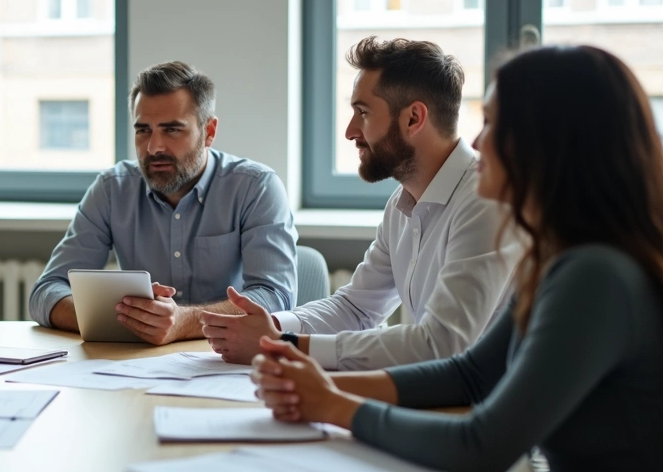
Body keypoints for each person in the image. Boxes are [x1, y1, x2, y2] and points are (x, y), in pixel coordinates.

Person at [251, 45, 663, 472]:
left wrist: (333, 405)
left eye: (492, 124)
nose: (475, 140)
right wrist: (313, 386)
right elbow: (469, 376)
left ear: (549, 143)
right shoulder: (561, 255)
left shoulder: (596, 275)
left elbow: (484, 446)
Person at [202, 37, 516, 367]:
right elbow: (356, 308)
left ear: (413, 119)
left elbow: (442, 343)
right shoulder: (402, 203)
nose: (350, 132)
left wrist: (287, 345)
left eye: (363, 112)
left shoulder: (486, 201)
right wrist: (273, 327)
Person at [28, 61, 298, 345]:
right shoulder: (112, 189)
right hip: (136, 365)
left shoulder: (255, 187)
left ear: (209, 132)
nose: (154, 148)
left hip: (225, 361)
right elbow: (46, 293)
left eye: (171, 130)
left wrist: (183, 322)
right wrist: (132, 318)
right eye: (143, 130)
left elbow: (275, 298)